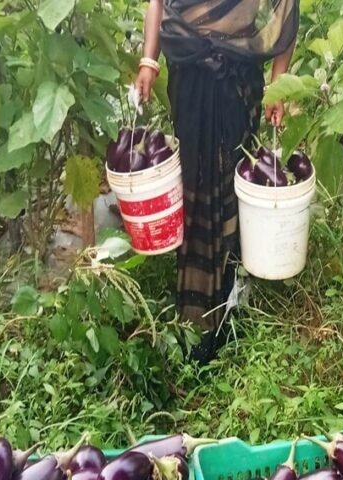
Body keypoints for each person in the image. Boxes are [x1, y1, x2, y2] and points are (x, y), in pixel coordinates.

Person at [135, 0, 299, 364]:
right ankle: (195, 310)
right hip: (188, 74)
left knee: (232, 182)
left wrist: (279, 85)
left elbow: (286, 8)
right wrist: (148, 61)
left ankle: (231, 301)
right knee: (194, 185)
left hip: (238, 78)